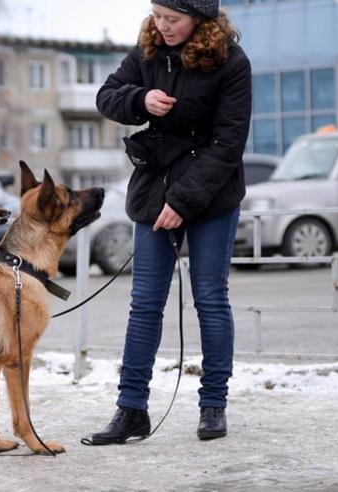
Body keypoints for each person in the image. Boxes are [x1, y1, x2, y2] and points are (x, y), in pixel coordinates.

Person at [85, 0, 252, 444]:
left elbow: (228, 142)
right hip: (154, 189)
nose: (162, 26)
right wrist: (140, 99)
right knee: (144, 303)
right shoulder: (147, 51)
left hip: (212, 193)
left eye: (172, 19)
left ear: (199, 18)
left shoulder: (232, 62)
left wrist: (183, 200)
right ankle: (131, 410)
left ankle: (213, 406)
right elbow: (106, 97)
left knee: (210, 299)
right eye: (157, 15)